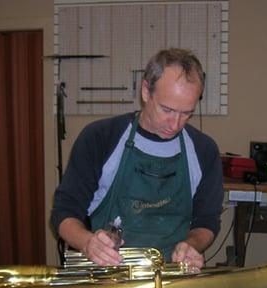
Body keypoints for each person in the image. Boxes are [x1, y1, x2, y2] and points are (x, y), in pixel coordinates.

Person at [51, 48, 223, 269]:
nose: (176, 124)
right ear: (145, 91)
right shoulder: (100, 138)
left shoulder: (204, 150)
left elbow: (207, 221)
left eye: (187, 113)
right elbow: (64, 212)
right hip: (105, 272)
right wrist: (87, 243)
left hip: (170, 273)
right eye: (167, 110)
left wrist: (192, 244)